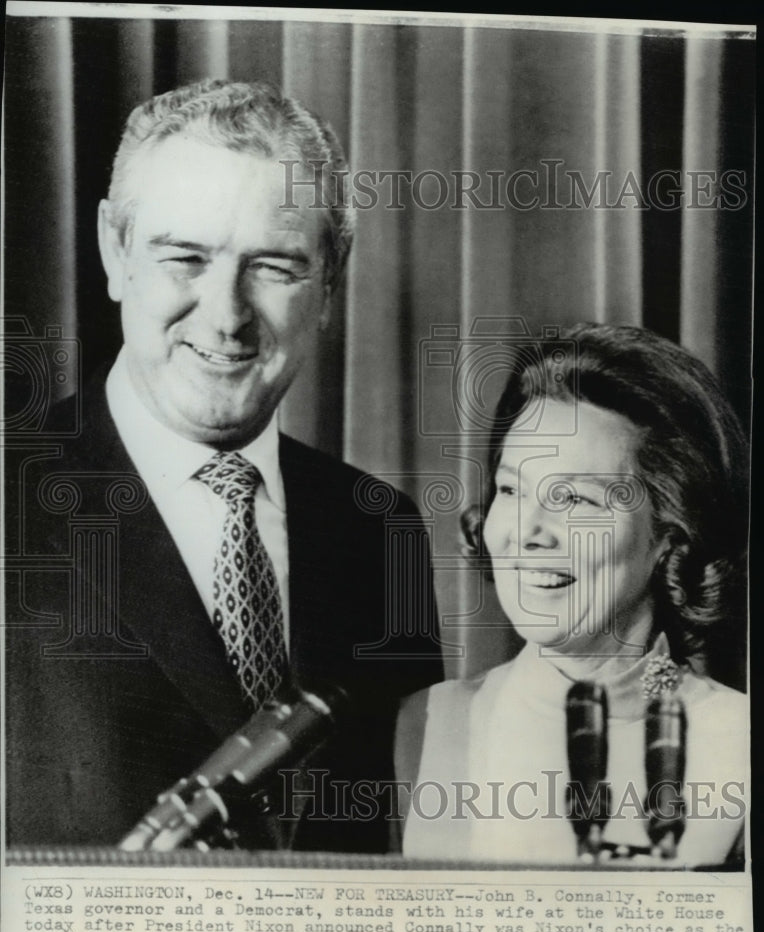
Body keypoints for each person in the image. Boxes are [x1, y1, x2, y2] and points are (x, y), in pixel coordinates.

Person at [5, 80, 443, 852]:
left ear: (331, 280)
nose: (227, 315)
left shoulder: (378, 531)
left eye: (274, 267)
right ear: (116, 250)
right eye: (185, 257)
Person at [396, 323, 748, 866]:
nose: (529, 532)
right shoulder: (422, 724)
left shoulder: (739, 742)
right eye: (512, 489)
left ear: (669, 533)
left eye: (577, 500)